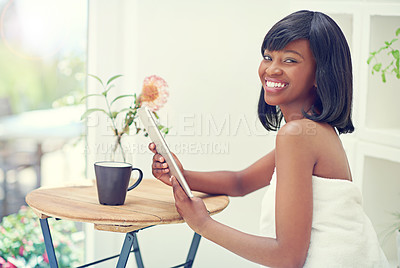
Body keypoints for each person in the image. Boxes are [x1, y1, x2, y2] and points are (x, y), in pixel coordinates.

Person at [149, 10, 389, 267]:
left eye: (290, 60)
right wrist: (180, 175)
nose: (272, 69)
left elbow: (287, 258)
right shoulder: (312, 131)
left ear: (320, 74)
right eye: (267, 56)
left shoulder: (298, 135)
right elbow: (240, 182)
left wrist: (203, 224)